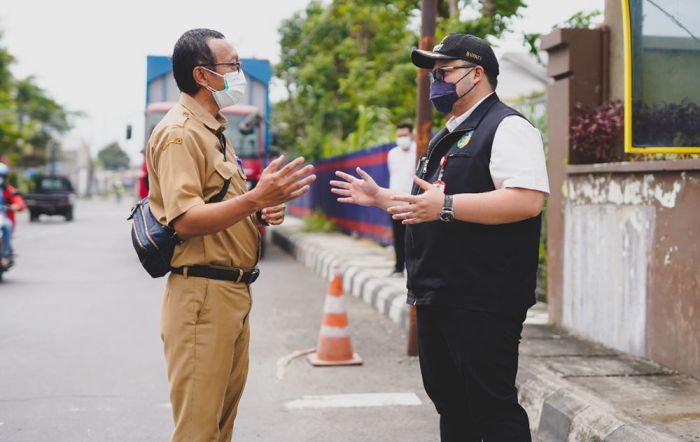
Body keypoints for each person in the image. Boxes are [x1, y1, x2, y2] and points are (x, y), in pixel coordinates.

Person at [330, 33, 549, 441]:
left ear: (477, 73)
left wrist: (447, 206)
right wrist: (382, 199)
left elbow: (526, 201)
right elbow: (428, 205)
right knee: (451, 404)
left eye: (445, 72)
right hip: (440, 294)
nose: (437, 82)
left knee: (492, 408)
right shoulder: (446, 135)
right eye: (434, 74)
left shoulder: (507, 127)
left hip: (483, 297)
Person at [146, 29, 315, 442]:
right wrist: (255, 196)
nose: (239, 74)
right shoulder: (179, 134)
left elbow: (223, 204)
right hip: (202, 297)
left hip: (230, 293)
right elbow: (185, 220)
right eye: (233, 66)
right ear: (203, 75)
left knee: (221, 426)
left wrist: (260, 207)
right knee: (198, 431)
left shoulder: (214, 131)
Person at [386, 123, 416, 277]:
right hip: (395, 200)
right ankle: (398, 267)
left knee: (413, 238)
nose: (402, 138)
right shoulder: (392, 154)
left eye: (404, 135)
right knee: (398, 236)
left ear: (411, 135)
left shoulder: (418, 151)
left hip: (413, 201)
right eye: (399, 136)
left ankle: (412, 270)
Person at [0, 163, 26, 268]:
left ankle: (5, 254)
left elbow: (19, 203)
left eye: (1, 176)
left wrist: (16, 206)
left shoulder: (9, 190)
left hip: (3, 218)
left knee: (6, 226)